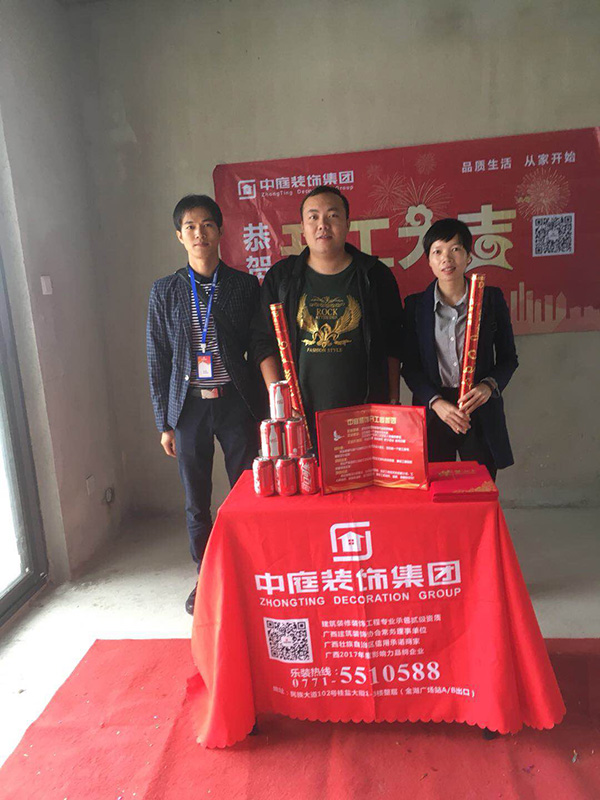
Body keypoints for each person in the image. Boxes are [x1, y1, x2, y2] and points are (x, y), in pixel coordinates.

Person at [147, 194, 262, 614]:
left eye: (207, 225)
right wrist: (164, 422)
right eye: (190, 227)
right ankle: (205, 577)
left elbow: (259, 345)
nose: (200, 234)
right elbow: (157, 357)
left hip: (235, 403)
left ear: (221, 231)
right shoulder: (165, 290)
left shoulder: (244, 285)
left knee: (246, 493)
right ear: (179, 236)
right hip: (188, 409)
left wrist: (265, 409)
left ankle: (250, 572)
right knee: (197, 501)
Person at [253, 185, 403, 444]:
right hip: (299, 416)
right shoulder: (282, 278)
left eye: (332, 216)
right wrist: (280, 403)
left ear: (347, 223)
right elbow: (262, 342)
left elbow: (393, 342)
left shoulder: (375, 275)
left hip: (364, 414)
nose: (322, 225)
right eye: (313, 217)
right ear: (302, 227)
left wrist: (392, 401)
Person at [402, 218, 518, 480]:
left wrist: (488, 386)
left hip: (478, 407)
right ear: (429, 261)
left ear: (468, 256)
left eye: (455, 249)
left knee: (480, 488)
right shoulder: (415, 307)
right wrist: (436, 403)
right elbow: (410, 367)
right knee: (435, 490)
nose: (447, 259)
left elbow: (509, 358)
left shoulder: (490, 299)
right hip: (435, 412)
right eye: (438, 252)